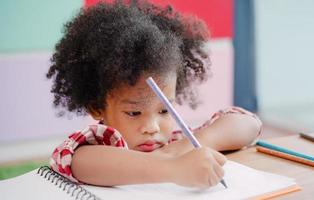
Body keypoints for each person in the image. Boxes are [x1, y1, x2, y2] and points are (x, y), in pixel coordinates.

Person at [47, 0, 262, 189]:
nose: (152, 127)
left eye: (163, 110)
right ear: (97, 106)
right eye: (134, 112)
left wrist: (199, 141)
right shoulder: (99, 146)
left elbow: (248, 124)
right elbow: (75, 160)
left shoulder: (178, 142)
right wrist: (172, 167)